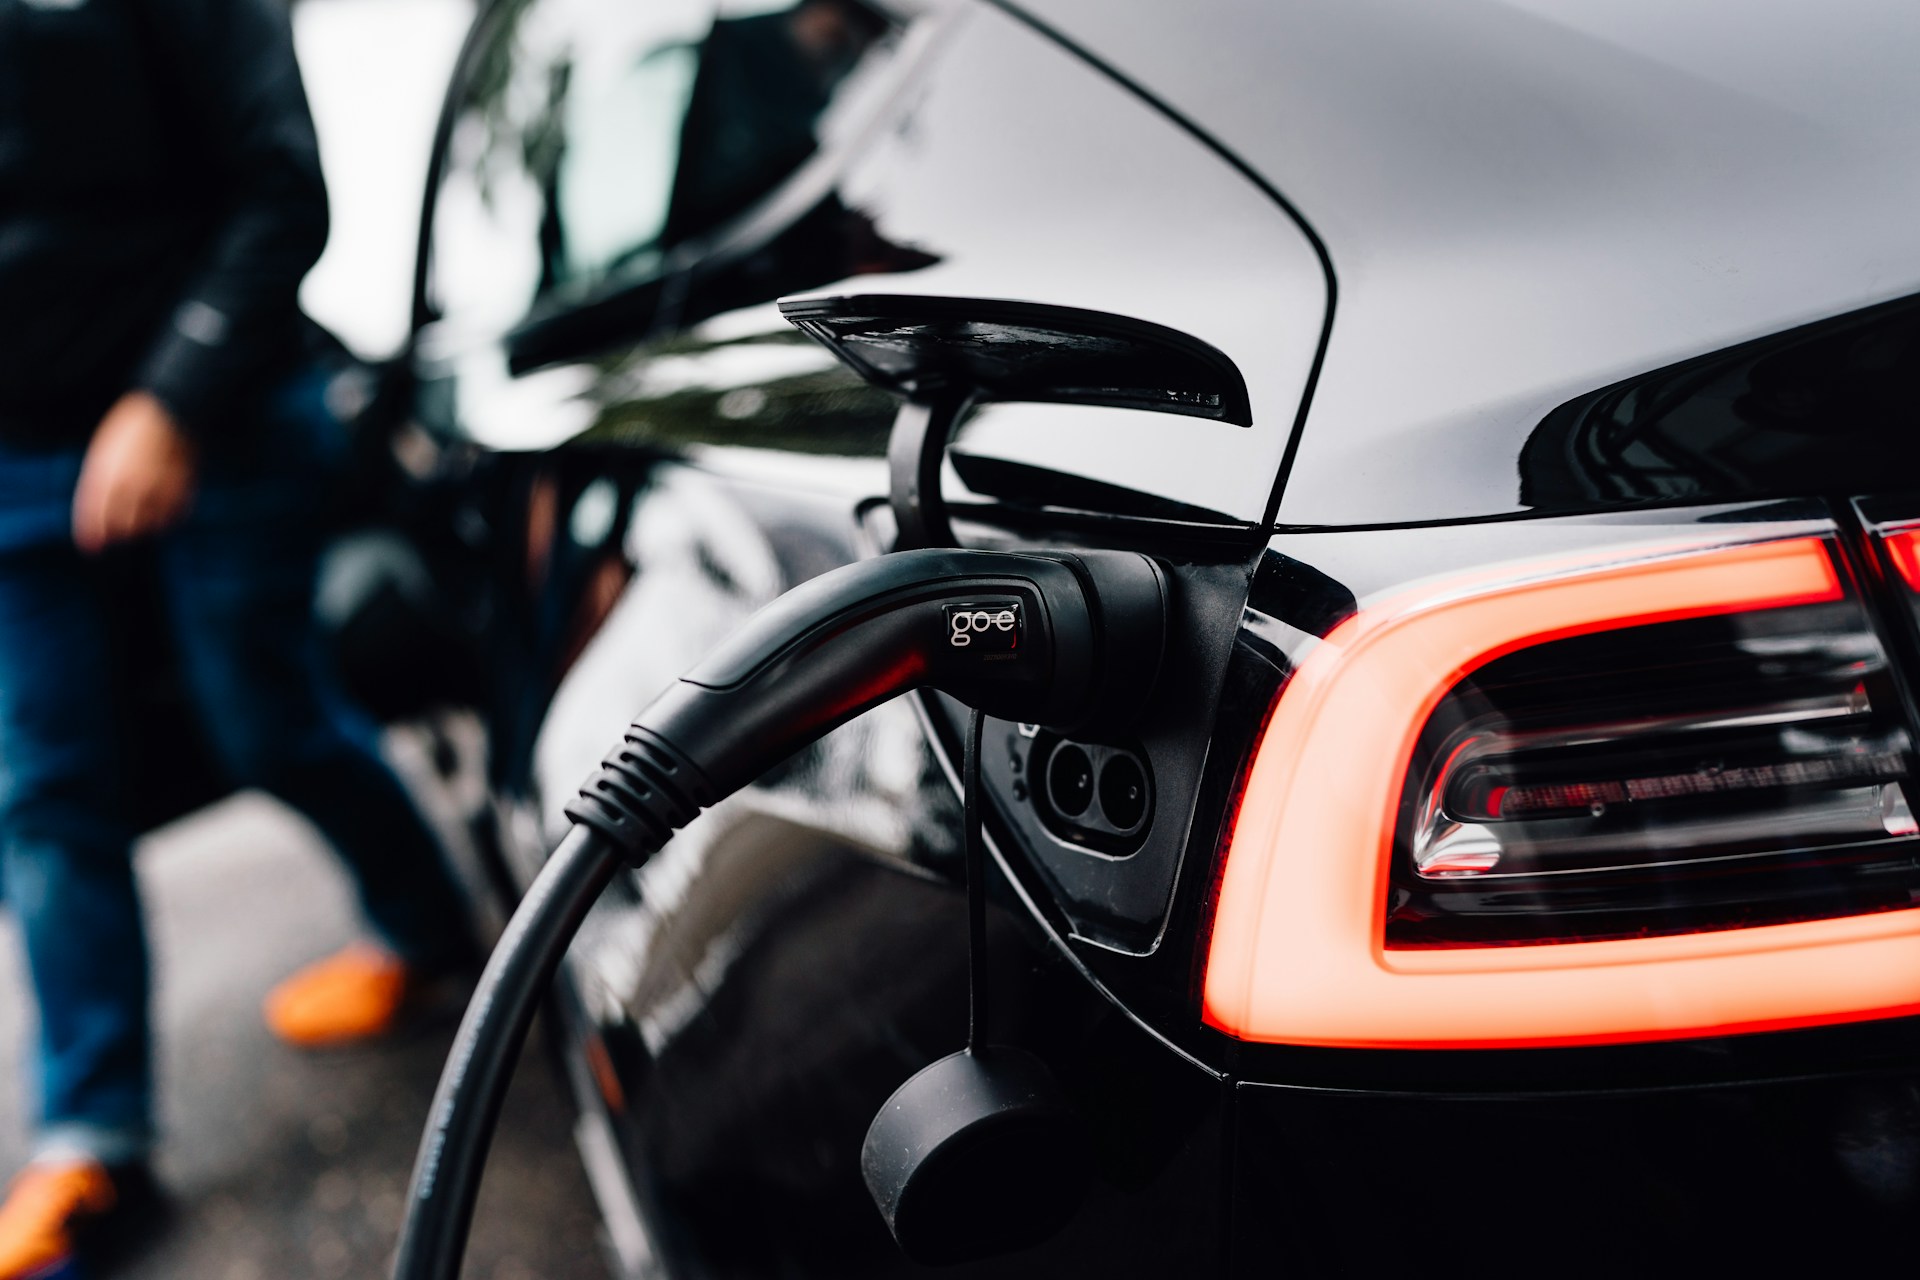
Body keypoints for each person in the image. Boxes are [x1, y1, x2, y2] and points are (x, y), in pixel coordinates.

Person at [0, 0, 474, 1273]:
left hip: (223, 418)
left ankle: (430, 932)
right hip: (16, 465)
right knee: (41, 790)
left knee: (261, 718)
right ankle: (92, 1132)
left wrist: (172, 399)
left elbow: (281, 188)